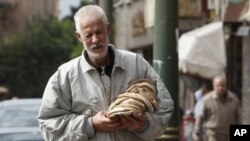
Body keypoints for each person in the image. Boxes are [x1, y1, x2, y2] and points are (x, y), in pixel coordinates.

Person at [38, 5, 174, 141]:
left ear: (108, 29)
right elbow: (48, 126)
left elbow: (165, 106)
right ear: (79, 37)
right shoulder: (65, 76)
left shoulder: (137, 64)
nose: (95, 40)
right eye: (88, 35)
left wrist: (144, 125)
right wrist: (90, 125)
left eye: (99, 32)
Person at [193, 76, 241, 141]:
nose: (220, 88)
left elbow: (238, 117)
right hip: (213, 134)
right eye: (218, 86)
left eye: (222, 86)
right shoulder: (207, 100)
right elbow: (200, 117)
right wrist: (196, 133)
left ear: (225, 86)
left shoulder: (233, 99)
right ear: (214, 86)